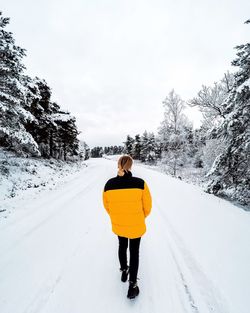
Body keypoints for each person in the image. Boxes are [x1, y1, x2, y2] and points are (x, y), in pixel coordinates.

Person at [102, 155, 152, 299]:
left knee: (122, 245)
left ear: (118, 165)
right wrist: (139, 217)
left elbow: (107, 206)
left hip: (119, 223)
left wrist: (117, 216)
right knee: (134, 251)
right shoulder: (140, 183)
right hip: (136, 223)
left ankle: (124, 270)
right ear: (131, 166)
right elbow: (147, 206)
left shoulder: (109, 184)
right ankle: (132, 285)